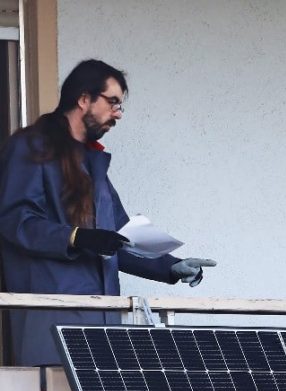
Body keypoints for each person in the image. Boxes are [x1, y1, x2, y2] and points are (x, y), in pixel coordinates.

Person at [0, 58, 216, 367]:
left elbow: (120, 238)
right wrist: (75, 237)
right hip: (51, 327)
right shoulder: (31, 147)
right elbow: (15, 221)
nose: (117, 114)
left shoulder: (92, 162)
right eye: (112, 102)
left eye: (120, 106)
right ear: (84, 98)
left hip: (102, 332)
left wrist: (172, 267)